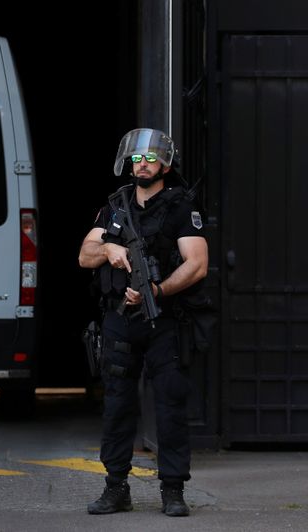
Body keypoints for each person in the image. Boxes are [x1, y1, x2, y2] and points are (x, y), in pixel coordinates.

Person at [78, 128, 208, 517]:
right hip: (120, 319)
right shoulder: (115, 207)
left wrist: (159, 290)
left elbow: (197, 264)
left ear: (165, 164)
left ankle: (173, 490)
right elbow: (85, 256)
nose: (143, 165)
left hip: (163, 319)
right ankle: (116, 487)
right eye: (137, 159)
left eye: (151, 159)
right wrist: (110, 248)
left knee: (169, 403)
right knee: (117, 404)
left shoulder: (182, 206)